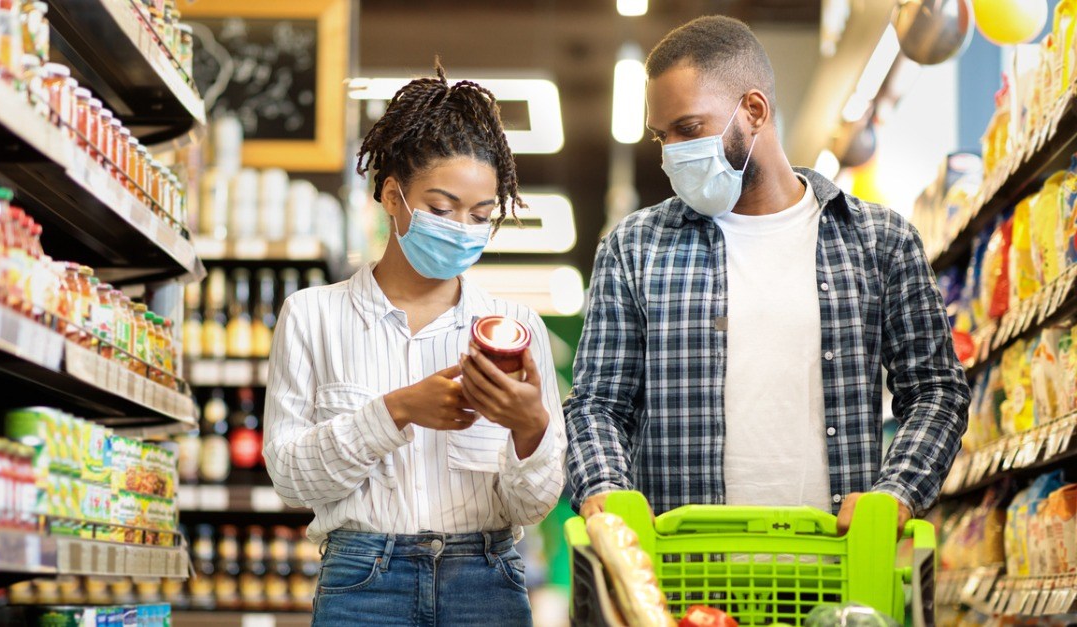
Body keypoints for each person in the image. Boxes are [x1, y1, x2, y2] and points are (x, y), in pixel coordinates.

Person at [565, 16, 970, 533]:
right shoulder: (635, 248)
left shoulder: (880, 241)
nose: (672, 153)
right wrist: (604, 487)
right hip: (685, 574)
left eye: (688, 129)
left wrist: (897, 493)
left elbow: (937, 390)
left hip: (834, 570)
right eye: (661, 136)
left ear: (753, 111)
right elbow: (598, 405)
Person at [263, 64, 565, 626]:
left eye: (480, 215)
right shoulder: (312, 316)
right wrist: (397, 411)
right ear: (392, 195)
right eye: (442, 207)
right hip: (362, 584)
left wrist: (530, 429)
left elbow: (531, 505)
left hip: (486, 579)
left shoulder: (517, 328)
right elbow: (290, 478)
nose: (462, 228)